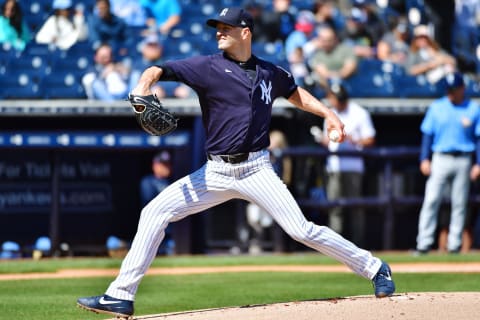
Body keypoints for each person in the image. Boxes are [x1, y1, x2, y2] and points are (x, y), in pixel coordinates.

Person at [77, 7, 395, 318]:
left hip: (256, 169)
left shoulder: (270, 71)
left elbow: (295, 92)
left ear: (245, 32)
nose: (219, 32)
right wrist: (143, 84)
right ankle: (120, 295)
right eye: (218, 27)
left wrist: (328, 113)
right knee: (154, 212)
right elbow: (161, 69)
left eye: (226, 28)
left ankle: (375, 267)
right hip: (215, 172)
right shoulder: (206, 67)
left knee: (302, 230)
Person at [416, 72, 480, 254]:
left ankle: (454, 245)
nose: (451, 93)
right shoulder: (437, 107)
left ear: (463, 88)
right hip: (440, 157)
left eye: (455, 89)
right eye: (449, 89)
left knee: (459, 203)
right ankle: (424, 243)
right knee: (431, 200)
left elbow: (478, 139)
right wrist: (424, 158)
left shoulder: (473, 109)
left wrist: (478, 163)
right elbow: (427, 134)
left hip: (464, 158)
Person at [319, 83, 376, 247]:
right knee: (335, 207)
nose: (334, 101)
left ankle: (358, 245)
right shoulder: (330, 114)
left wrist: (353, 139)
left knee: (356, 208)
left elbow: (370, 139)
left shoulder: (359, 113)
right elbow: (327, 140)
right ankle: (335, 247)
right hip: (334, 167)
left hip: (353, 167)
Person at [128, 33, 192, 99]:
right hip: (149, 103)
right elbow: (134, 89)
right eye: (150, 46)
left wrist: (180, 88)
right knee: (155, 93)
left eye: (155, 46)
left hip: (174, 97)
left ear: (160, 48)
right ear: (144, 48)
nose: (153, 49)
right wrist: (151, 90)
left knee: (183, 91)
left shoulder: (168, 62)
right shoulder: (138, 65)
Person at [140, 150, 175, 255]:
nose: (166, 167)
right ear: (155, 165)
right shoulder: (148, 181)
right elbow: (148, 199)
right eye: (163, 164)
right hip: (153, 230)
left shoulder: (174, 182)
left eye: (168, 164)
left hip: (170, 233)